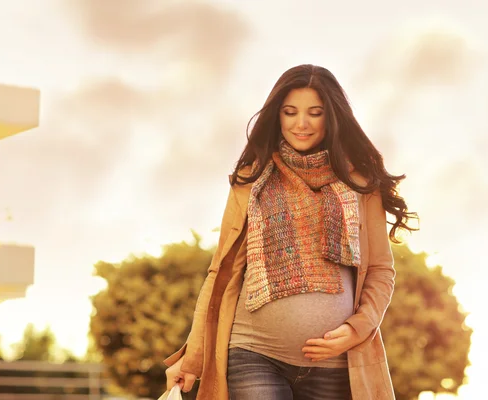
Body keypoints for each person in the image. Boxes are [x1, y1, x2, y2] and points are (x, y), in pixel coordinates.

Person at [163, 64, 416, 400]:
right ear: (278, 115)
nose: (301, 123)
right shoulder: (251, 179)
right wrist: (192, 358)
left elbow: (382, 272)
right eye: (290, 112)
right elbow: (220, 273)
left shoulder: (360, 184)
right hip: (253, 354)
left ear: (332, 117)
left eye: (315, 112)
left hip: (336, 365)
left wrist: (357, 329)